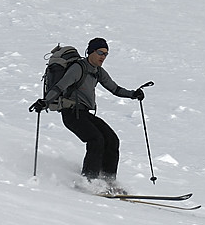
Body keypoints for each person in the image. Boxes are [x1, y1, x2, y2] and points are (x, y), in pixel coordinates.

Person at [29, 37, 145, 193]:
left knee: (112, 139)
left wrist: (133, 94)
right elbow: (60, 86)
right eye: (100, 52)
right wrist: (45, 101)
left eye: (106, 54)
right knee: (96, 140)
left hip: (84, 113)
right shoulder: (79, 68)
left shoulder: (98, 72)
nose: (103, 57)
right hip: (71, 114)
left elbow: (115, 89)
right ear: (91, 51)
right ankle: (89, 181)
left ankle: (108, 180)